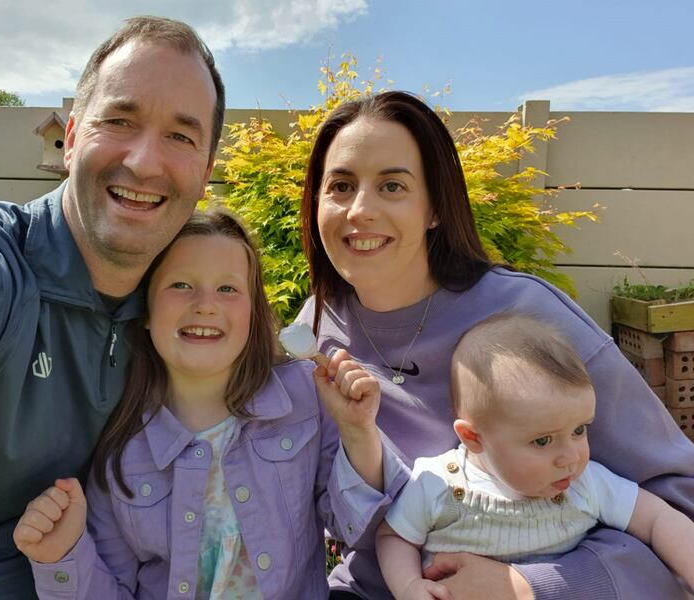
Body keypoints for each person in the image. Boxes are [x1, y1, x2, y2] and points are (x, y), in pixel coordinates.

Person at [296, 90, 694, 599]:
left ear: (435, 207)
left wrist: (527, 587)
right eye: (341, 186)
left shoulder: (531, 317)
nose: (360, 210)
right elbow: (318, 512)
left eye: (392, 185)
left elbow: (676, 502)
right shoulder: (314, 333)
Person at [0, 16, 225, 599]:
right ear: (71, 139)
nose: (145, 162)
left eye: (180, 136)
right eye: (119, 121)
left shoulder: (185, 311)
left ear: (205, 173)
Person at [12, 210, 386, 599]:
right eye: (181, 285)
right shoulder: (121, 454)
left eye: (227, 288)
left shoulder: (304, 398)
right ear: (145, 310)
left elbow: (359, 527)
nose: (206, 305)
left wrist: (359, 433)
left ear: (253, 311)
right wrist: (62, 555)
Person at [376, 313, 694, 600]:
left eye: (579, 430)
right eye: (543, 441)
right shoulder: (438, 483)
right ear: (474, 438)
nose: (570, 457)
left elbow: (657, 519)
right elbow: (394, 537)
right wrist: (409, 587)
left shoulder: (586, 485)